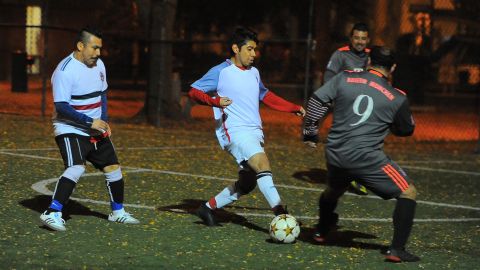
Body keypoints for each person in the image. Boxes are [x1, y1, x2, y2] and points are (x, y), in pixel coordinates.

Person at [303, 46, 420, 262]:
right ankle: (397, 249)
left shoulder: (345, 78)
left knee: (334, 189)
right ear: (393, 67)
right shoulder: (397, 97)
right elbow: (406, 130)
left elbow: (317, 101)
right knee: (408, 192)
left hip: (335, 153)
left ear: (367, 62)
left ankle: (320, 230)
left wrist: (310, 133)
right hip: (366, 159)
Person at [188, 26, 305, 226]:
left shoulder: (254, 72)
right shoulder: (221, 71)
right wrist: (215, 102)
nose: (254, 54)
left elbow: (265, 95)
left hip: (254, 132)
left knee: (248, 183)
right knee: (262, 164)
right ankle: (281, 215)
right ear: (235, 48)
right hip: (235, 132)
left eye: (255, 50)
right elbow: (194, 91)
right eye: (249, 49)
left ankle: (207, 208)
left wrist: (291, 107)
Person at [39, 26, 139, 231]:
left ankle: (117, 212)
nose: (98, 53)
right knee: (76, 167)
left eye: (100, 48)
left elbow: (102, 94)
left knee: (113, 168)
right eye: (94, 48)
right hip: (70, 127)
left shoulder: (99, 65)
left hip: (93, 126)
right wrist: (89, 122)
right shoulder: (65, 71)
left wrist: (103, 121)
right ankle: (52, 212)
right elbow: (62, 107)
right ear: (80, 46)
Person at [322, 22, 371, 196]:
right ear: (351, 38)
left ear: (368, 40)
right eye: (356, 38)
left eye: (363, 38)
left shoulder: (371, 57)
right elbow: (329, 78)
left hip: (366, 107)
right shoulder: (340, 55)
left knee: (362, 142)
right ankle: (344, 175)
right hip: (345, 107)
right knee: (345, 143)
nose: (360, 42)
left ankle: (356, 176)